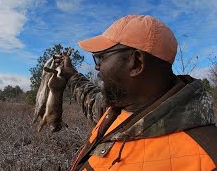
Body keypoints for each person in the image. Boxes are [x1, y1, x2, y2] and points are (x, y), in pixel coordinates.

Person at [56, 15, 217, 170]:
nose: (97, 67)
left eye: (101, 57)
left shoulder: (207, 157)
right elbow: (91, 100)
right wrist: (71, 75)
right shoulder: (119, 107)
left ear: (136, 63)